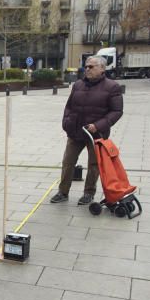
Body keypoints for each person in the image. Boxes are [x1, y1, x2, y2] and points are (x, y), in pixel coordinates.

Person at [50, 55, 123, 206]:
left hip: (96, 134)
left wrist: (98, 125)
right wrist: (67, 122)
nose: (87, 69)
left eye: (92, 66)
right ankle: (63, 192)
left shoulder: (112, 87)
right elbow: (69, 106)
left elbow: (116, 111)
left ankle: (89, 193)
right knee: (68, 162)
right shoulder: (78, 85)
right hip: (75, 131)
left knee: (93, 165)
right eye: (86, 66)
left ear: (102, 68)